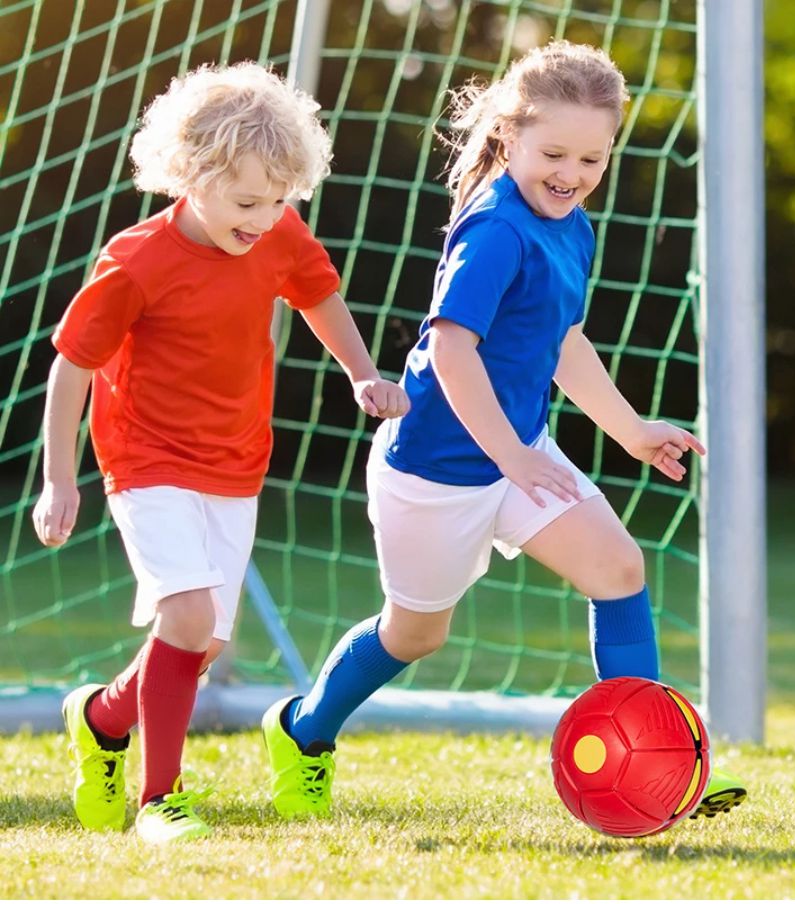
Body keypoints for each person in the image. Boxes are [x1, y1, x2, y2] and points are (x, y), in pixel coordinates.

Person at [261, 41, 746, 821]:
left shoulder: (572, 224)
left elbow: (564, 341)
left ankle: (659, 772)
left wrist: (628, 430)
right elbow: (452, 351)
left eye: (592, 157)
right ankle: (303, 731)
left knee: (620, 569)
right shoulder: (494, 228)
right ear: (510, 137)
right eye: (553, 152)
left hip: (518, 455)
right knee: (415, 634)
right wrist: (513, 457)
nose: (572, 172)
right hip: (437, 471)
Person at [31, 62, 409, 845]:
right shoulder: (136, 262)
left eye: (280, 200)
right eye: (247, 201)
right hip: (145, 458)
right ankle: (158, 803)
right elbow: (71, 366)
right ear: (191, 176)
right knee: (188, 615)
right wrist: (59, 481)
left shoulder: (277, 232)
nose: (266, 217)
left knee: (200, 643)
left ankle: (102, 719)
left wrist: (364, 372)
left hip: (236, 461)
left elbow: (317, 294)